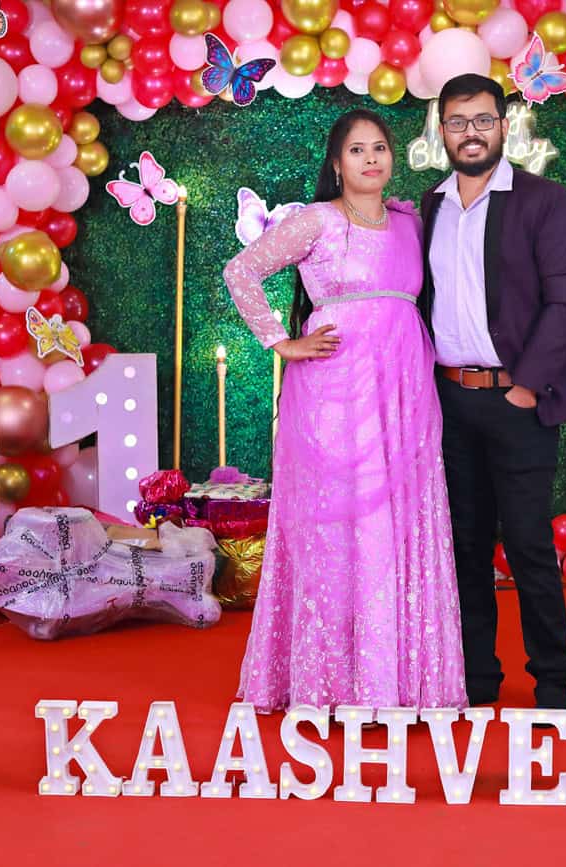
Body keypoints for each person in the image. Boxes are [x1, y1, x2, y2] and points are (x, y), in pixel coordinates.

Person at [222, 109, 467, 712]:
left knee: (403, 520)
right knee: (337, 529)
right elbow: (241, 269)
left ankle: (401, 683)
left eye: (380, 148)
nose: (371, 160)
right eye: (357, 151)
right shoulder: (316, 221)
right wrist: (282, 342)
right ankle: (328, 686)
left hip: (406, 390)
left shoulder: (410, 221)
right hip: (334, 395)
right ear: (336, 163)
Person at [420, 74, 566, 710]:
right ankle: (477, 680)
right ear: (441, 130)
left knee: (525, 543)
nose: (471, 132)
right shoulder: (428, 205)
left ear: (504, 125)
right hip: (449, 403)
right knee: (464, 545)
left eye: (483, 119)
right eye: (458, 121)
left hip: (518, 400)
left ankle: (552, 679)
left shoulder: (542, 200)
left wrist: (526, 387)